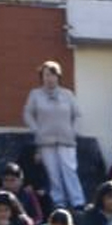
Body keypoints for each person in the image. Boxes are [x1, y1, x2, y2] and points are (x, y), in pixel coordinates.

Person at [23, 61, 84, 211]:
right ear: (42, 77)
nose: (49, 78)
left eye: (52, 75)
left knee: (69, 169)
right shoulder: (35, 94)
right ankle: (59, 201)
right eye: (46, 75)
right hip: (45, 141)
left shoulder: (67, 94)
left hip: (66, 139)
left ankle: (78, 201)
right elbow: (27, 113)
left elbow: (77, 115)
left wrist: (72, 131)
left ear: (58, 77)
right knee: (52, 172)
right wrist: (36, 130)